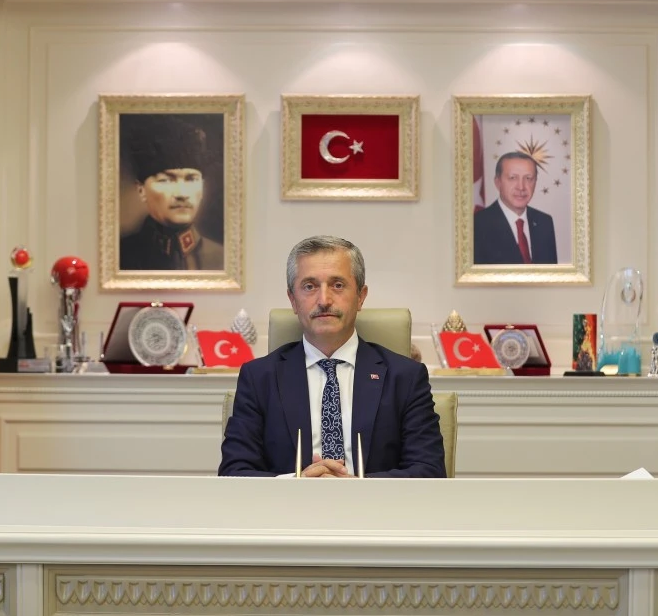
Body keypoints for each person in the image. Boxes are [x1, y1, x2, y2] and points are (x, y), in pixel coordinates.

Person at [219, 236, 445, 478]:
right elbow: (234, 472)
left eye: (337, 285)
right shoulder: (259, 378)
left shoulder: (405, 377)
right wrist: (297, 482)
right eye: (309, 286)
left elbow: (429, 472)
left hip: (374, 503)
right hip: (289, 502)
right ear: (293, 300)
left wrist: (356, 488)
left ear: (360, 296)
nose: (324, 300)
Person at [119, 114, 224, 271]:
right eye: (166, 180)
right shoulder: (119, 257)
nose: (182, 193)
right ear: (141, 190)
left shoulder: (222, 259)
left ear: (202, 187)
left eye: (191, 179)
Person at [473, 151, 558, 265]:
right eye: (512, 178)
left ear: (535, 182)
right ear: (498, 182)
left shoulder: (544, 222)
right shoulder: (477, 225)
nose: (521, 187)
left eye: (528, 178)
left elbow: (551, 274)